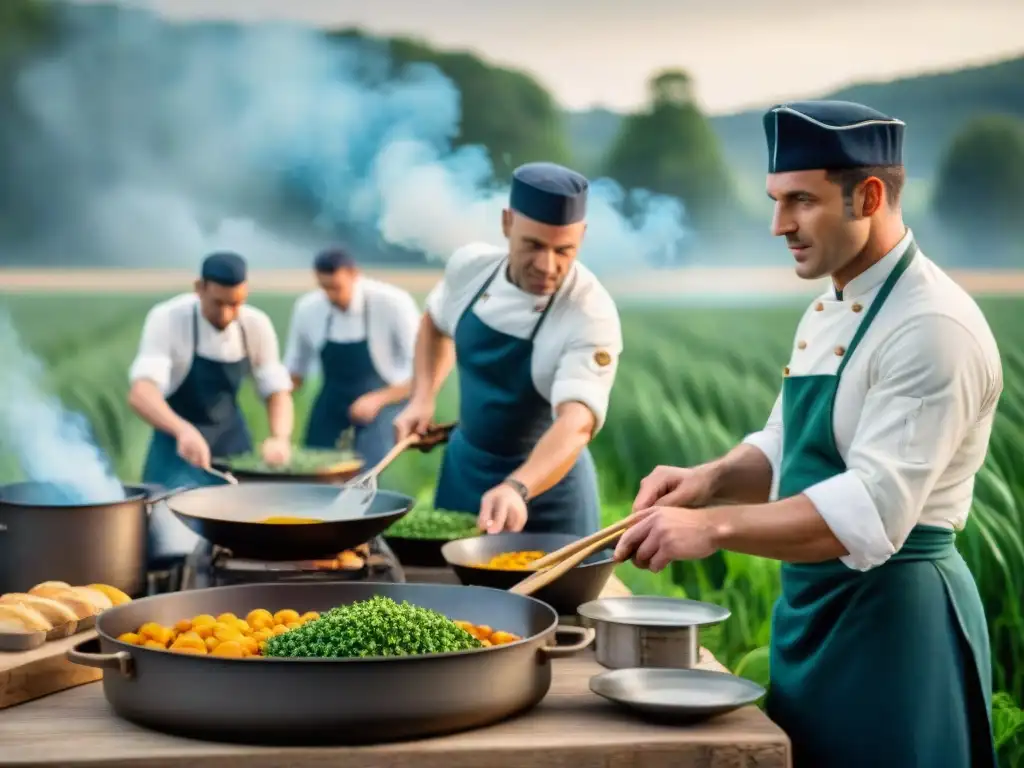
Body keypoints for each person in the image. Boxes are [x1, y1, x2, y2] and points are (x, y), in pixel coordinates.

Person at [613, 100, 1000, 768]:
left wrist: (714, 529)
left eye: (800, 201)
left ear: (869, 196)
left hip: (895, 626)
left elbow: (872, 513)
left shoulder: (932, 327)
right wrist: (707, 482)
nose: (777, 225)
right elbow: (784, 442)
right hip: (813, 614)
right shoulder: (827, 305)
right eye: (774, 200)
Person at [393, 161, 623, 537]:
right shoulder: (470, 268)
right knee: (448, 588)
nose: (547, 265)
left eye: (564, 250)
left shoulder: (589, 311)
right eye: (533, 245)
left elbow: (577, 421)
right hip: (465, 469)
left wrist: (518, 487)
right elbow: (434, 325)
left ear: (581, 235)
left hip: (545, 490)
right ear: (507, 224)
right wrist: (422, 397)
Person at [128, 251, 294, 560]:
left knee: (237, 547)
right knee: (169, 546)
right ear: (199, 287)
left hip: (233, 449)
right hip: (175, 450)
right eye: (219, 303)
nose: (229, 313)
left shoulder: (255, 325)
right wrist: (182, 430)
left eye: (237, 303)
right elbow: (141, 393)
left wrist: (280, 437)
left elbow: (277, 391)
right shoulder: (168, 318)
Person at [283, 247, 420, 466]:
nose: (330, 296)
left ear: (354, 274)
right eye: (324, 288)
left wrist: (377, 399)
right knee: (313, 467)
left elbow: (423, 371)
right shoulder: (308, 308)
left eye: (337, 288)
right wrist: (277, 404)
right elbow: (295, 370)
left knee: (368, 469)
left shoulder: (392, 303)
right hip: (332, 397)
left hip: (385, 398)